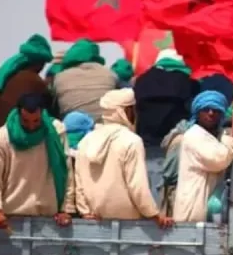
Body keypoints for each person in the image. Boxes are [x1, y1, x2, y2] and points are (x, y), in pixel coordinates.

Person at [74, 89, 173, 227]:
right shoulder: (131, 141)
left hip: (93, 220)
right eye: (133, 110)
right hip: (129, 224)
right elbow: (137, 185)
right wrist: (154, 214)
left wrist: (84, 211)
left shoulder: (85, 141)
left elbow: (78, 181)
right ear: (125, 111)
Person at [0, 93, 75, 225]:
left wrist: (66, 208)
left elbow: (67, 170)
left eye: (36, 121)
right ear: (19, 114)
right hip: (11, 216)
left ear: (42, 114)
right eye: (26, 121)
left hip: (49, 218)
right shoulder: (2, 137)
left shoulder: (55, 131)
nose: (31, 126)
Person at [173, 90, 233, 222]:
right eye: (206, 109)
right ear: (197, 112)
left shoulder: (219, 136)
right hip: (191, 215)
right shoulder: (194, 135)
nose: (211, 113)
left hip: (212, 214)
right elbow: (219, 160)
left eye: (216, 110)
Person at [0, 34, 56, 133]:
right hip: (10, 136)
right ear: (39, 63)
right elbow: (51, 111)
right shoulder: (36, 81)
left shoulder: (3, 75)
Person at [52, 39, 117, 121]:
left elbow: (54, 109)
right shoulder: (110, 74)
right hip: (105, 126)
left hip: (72, 128)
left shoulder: (59, 78)